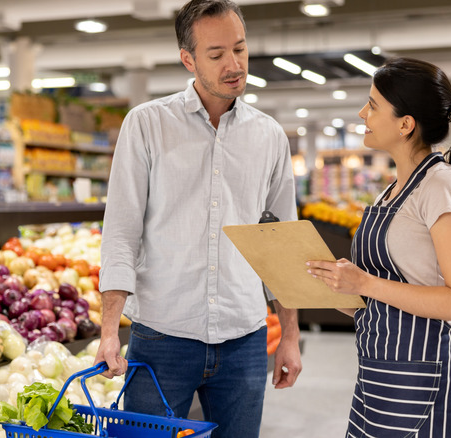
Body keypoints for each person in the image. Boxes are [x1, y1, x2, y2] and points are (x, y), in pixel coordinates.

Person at [95, 1, 302, 436]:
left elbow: (282, 243)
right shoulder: (147, 125)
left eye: (240, 50)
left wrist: (291, 336)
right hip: (161, 338)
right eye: (216, 54)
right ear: (188, 59)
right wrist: (109, 331)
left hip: (244, 337)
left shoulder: (269, 137)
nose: (234, 64)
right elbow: (121, 233)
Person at [306, 58, 451, 437]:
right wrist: (332, 283)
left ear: (406, 124)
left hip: (427, 383)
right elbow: (376, 296)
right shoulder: (391, 191)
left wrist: (365, 285)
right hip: (378, 379)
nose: (362, 113)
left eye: (372, 105)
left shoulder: (441, 186)